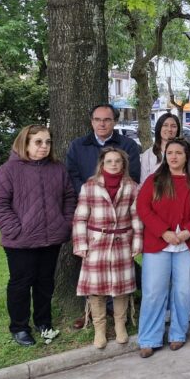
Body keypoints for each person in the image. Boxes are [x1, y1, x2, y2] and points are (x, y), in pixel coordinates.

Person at [0, 125, 76, 347]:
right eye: (38, 142)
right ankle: (19, 327)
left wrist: (64, 224)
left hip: (51, 238)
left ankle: (43, 323)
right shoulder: (8, 170)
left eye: (47, 142)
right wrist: (16, 230)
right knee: (20, 284)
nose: (44, 146)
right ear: (25, 143)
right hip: (20, 242)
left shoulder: (57, 169)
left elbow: (69, 198)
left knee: (45, 282)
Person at [135, 139, 190, 356]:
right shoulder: (154, 180)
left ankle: (177, 333)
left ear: (187, 156)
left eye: (178, 153)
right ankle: (149, 338)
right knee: (154, 291)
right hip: (158, 243)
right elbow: (143, 208)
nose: (173, 157)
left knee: (183, 291)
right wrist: (163, 231)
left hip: (187, 244)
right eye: (169, 153)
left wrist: (188, 231)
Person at [71, 148, 143, 349]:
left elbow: (136, 217)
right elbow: (80, 217)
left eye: (117, 161)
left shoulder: (131, 187)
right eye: (109, 161)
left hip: (121, 242)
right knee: (96, 289)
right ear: (102, 164)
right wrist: (81, 244)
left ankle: (120, 325)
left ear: (123, 164)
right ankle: (99, 328)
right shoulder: (90, 186)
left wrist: (137, 243)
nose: (113, 164)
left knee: (121, 288)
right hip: (96, 243)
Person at [66, 103, 141, 193]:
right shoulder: (77, 146)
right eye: (97, 120)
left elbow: (133, 176)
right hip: (85, 200)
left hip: (119, 202)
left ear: (115, 121)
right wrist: (89, 195)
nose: (102, 124)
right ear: (92, 122)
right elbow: (72, 176)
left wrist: (111, 197)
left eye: (107, 120)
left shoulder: (129, 145)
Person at [140, 112, 181, 184]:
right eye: (165, 125)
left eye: (173, 126)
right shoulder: (148, 155)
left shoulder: (185, 153)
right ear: (159, 128)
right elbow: (143, 183)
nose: (169, 129)